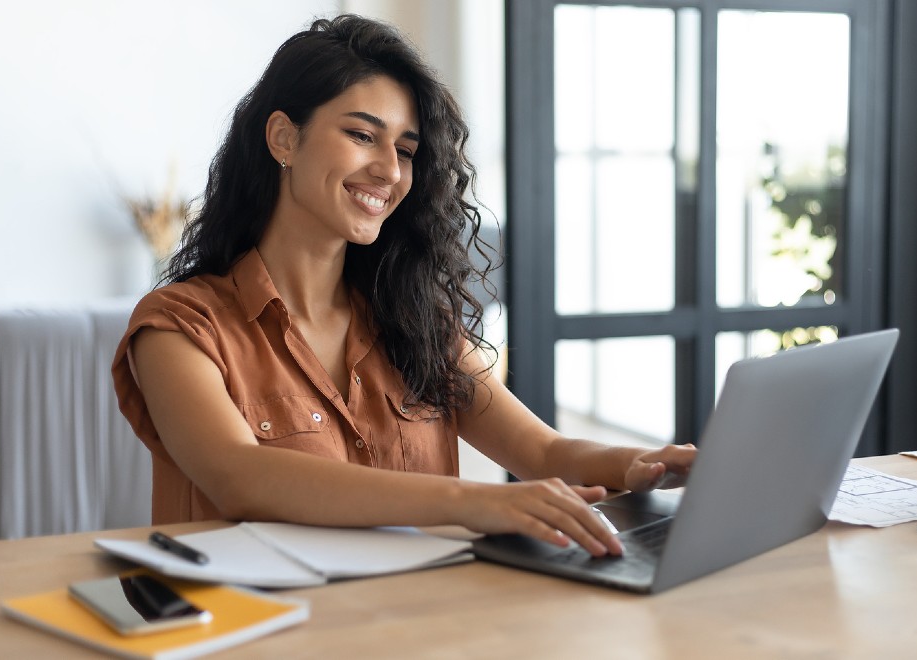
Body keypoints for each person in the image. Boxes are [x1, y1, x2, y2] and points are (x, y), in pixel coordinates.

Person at [112, 14, 696, 557]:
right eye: (363, 136)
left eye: (406, 150)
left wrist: (642, 464)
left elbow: (542, 452)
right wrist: (479, 503)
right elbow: (240, 476)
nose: (391, 171)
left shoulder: (413, 321)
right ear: (283, 139)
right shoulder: (178, 327)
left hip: (416, 624)